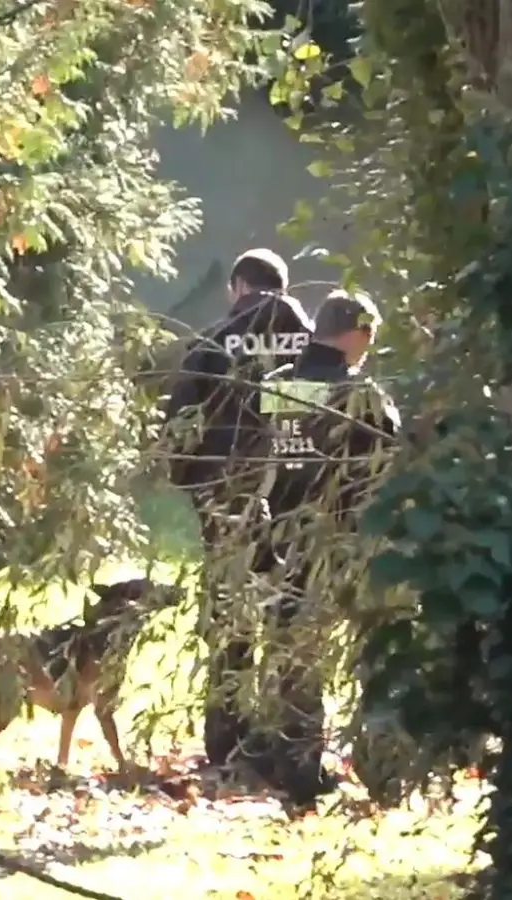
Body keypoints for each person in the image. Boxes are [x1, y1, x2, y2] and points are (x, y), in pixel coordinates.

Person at [161, 248, 314, 769]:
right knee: (289, 613)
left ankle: (228, 739)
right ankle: (287, 740)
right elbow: (313, 421)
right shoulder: (313, 341)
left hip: (228, 500)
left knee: (231, 614)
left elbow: (182, 426)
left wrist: (196, 488)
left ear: (238, 287)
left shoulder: (212, 342)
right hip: (298, 503)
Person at [248, 289, 400, 810]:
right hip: (349, 542)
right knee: (372, 655)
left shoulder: (275, 386)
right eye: (369, 338)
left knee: (296, 660)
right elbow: (389, 463)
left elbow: (258, 460)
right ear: (357, 332)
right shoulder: (365, 395)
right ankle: (381, 770)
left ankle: (297, 771)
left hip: (287, 539)